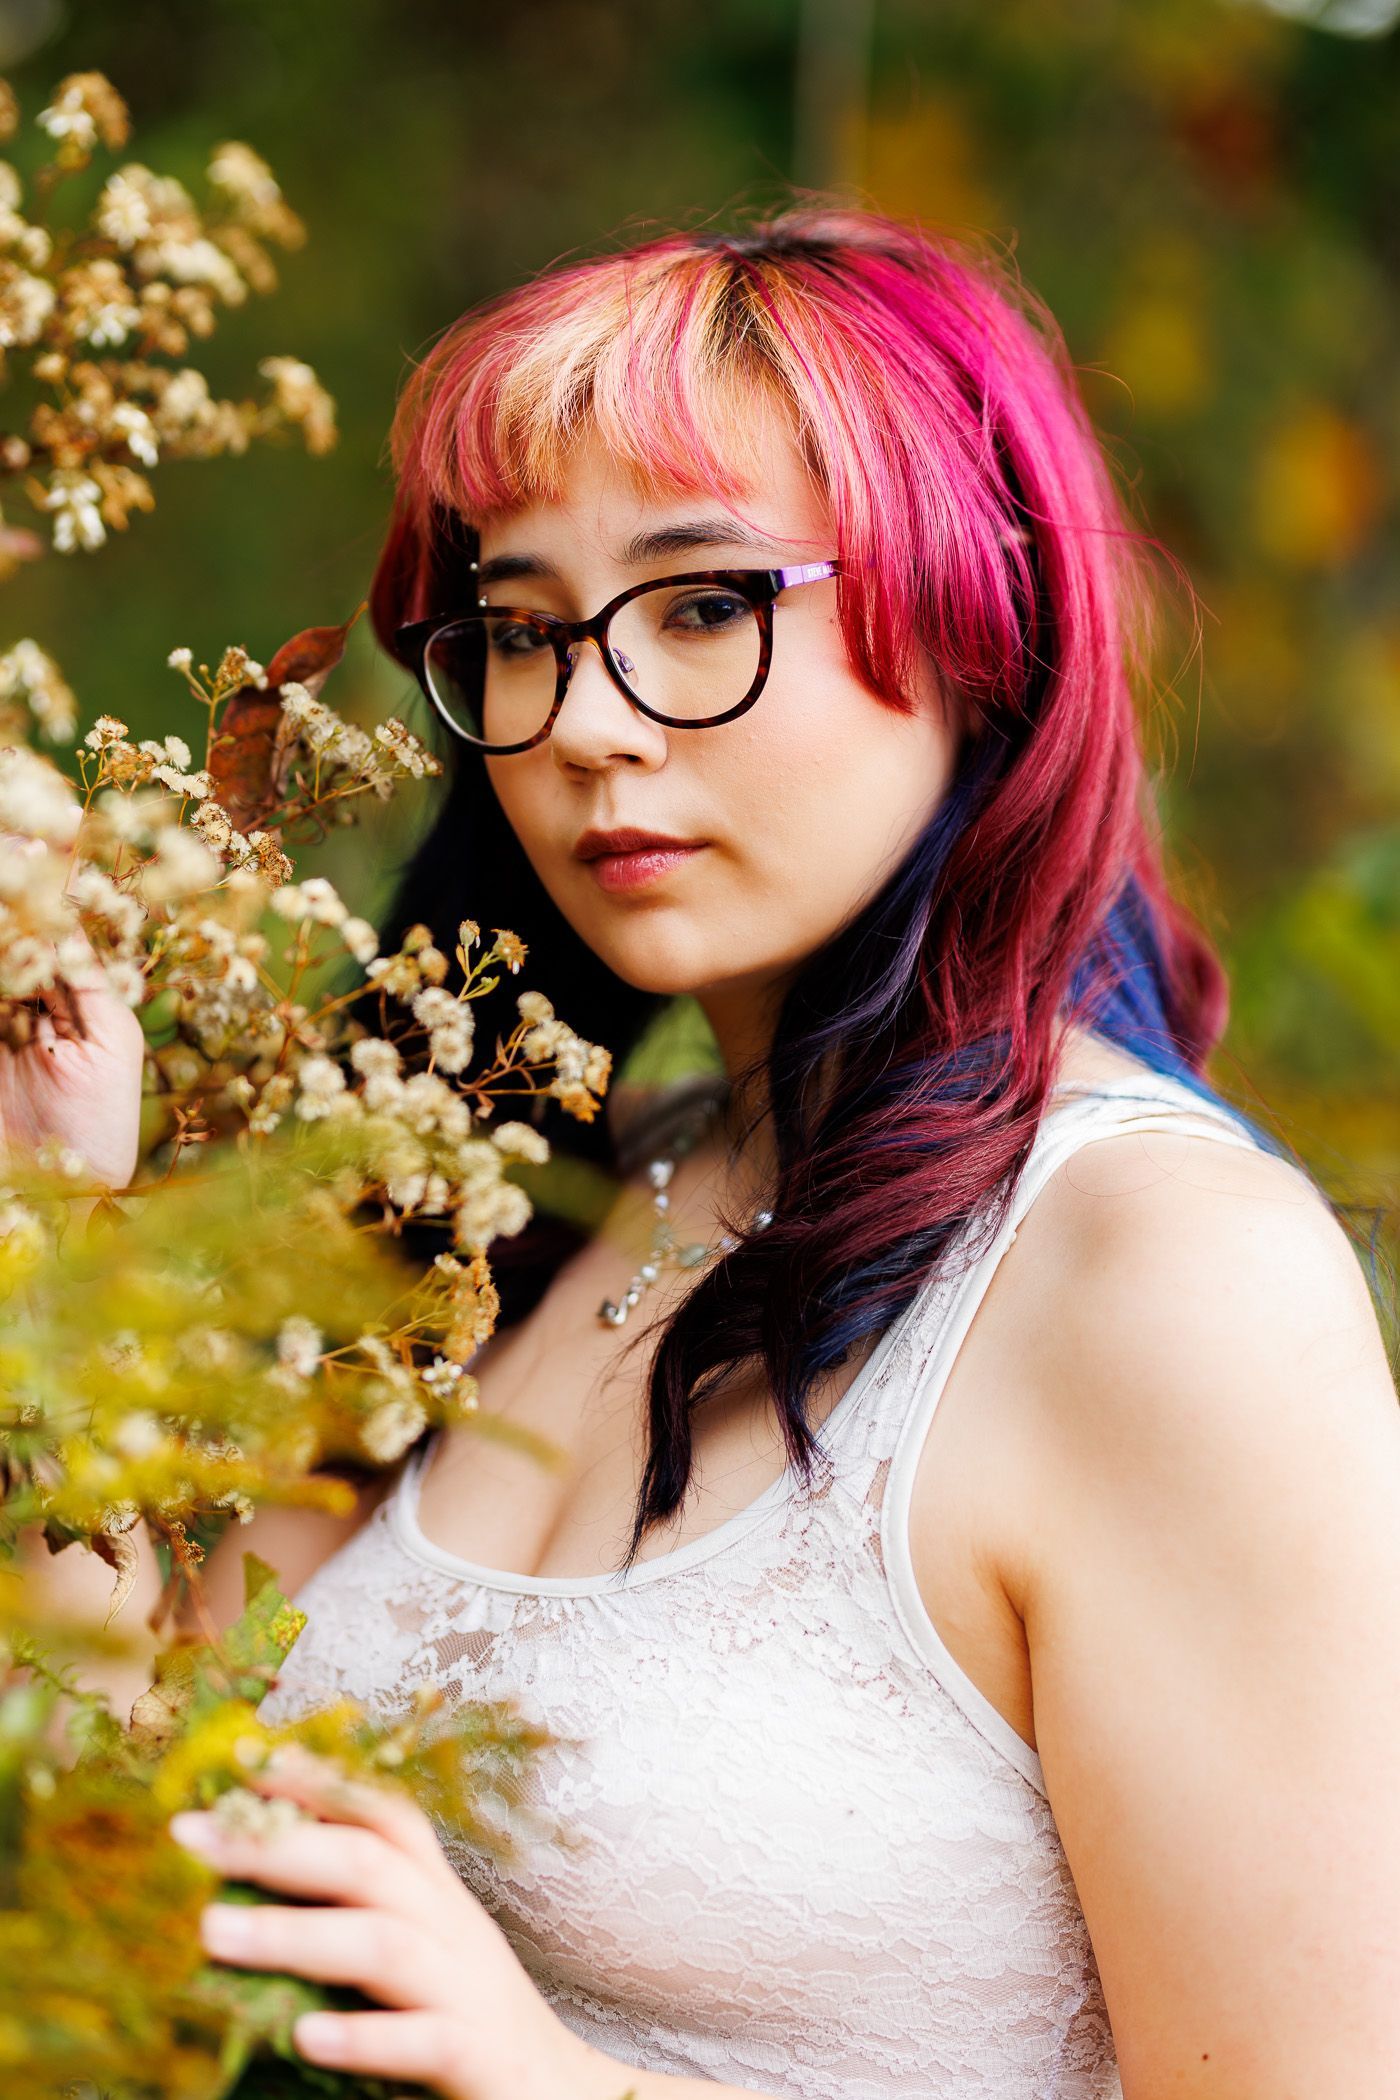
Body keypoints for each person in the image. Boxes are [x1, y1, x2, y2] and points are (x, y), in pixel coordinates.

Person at [14, 207, 1400, 2099]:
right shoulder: (508, 1190)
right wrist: (51, 1214)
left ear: (981, 632)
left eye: (703, 605)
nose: (581, 722)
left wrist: (553, 2079)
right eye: (516, 630)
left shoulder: (1161, 1280)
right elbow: (107, 1786)